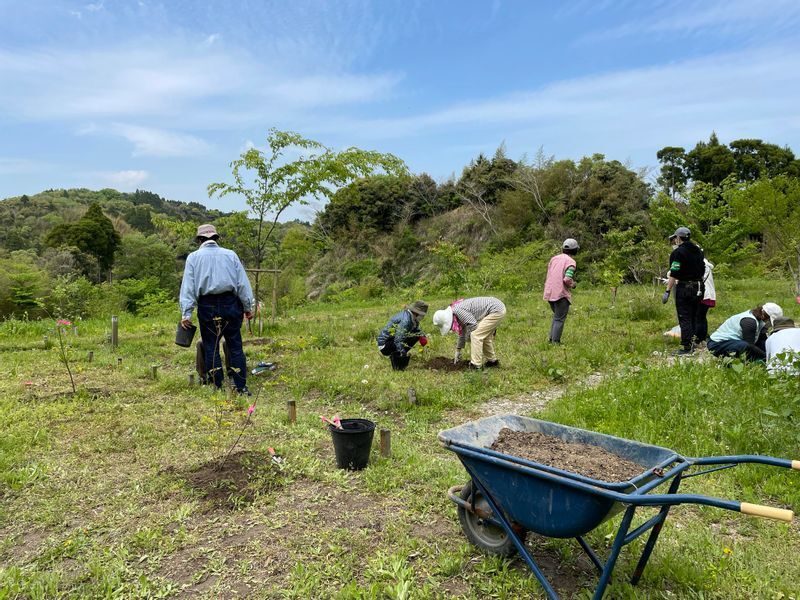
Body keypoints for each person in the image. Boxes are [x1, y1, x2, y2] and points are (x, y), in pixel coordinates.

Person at [179, 224, 255, 394]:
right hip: (231, 303)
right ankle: (241, 387)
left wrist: (186, 313)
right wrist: (248, 307)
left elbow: (188, 287)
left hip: (207, 305)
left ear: (199, 240)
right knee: (235, 345)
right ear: (216, 238)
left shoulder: (193, 257)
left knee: (210, 346)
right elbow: (242, 283)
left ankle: (218, 387)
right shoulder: (230, 255)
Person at [662, 227, 705, 355]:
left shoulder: (678, 253)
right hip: (699, 287)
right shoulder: (698, 250)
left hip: (685, 288)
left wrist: (667, 291)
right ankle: (694, 342)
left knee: (684, 317)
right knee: (694, 316)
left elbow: (674, 273)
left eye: (675, 238)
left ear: (678, 238)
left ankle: (686, 347)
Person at [432, 296, 506, 370]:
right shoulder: (456, 312)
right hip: (496, 308)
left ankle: (476, 365)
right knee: (483, 336)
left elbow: (473, 325)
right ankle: (492, 362)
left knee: (476, 335)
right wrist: (458, 350)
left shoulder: (458, 311)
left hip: (496, 310)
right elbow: (462, 331)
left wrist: (467, 338)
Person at [707, 303, 783, 362]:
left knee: (764, 344)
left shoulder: (759, 321)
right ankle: (731, 362)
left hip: (734, 341)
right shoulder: (749, 322)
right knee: (744, 346)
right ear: (764, 315)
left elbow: (763, 340)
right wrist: (766, 357)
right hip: (717, 344)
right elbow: (750, 345)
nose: (769, 323)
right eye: (769, 320)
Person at [543, 238, 579, 344]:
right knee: (559, 318)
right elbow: (567, 279)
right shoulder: (571, 262)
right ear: (575, 250)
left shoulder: (554, 259)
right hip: (561, 294)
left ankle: (551, 339)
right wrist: (573, 284)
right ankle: (556, 342)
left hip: (549, 292)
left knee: (557, 317)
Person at [377, 301, 428, 371]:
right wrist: (403, 354)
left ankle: (398, 354)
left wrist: (422, 335)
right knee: (414, 336)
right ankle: (397, 358)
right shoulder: (406, 320)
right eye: (422, 314)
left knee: (416, 335)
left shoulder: (411, 317)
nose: (422, 317)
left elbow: (416, 329)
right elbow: (398, 339)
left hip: (391, 341)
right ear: (417, 312)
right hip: (385, 346)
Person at [695, 258, 717, 346]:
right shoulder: (706, 265)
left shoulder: (700, 265)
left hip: (703, 294)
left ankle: (697, 339)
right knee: (702, 317)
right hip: (709, 294)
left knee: (698, 317)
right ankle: (703, 338)